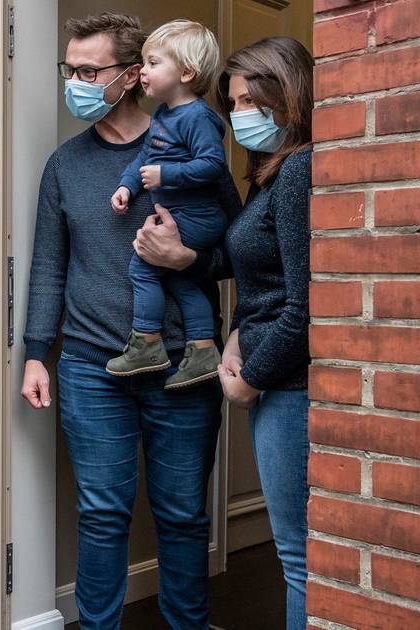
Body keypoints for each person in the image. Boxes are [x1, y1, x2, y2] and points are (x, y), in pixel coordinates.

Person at [22, 13, 240, 628]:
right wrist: (37, 352)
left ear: (131, 74)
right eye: (69, 69)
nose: (75, 82)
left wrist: (187, 259)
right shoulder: (65, 165)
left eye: (89, 71)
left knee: (183, 517)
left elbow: (242, 249)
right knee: (101, 516)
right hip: (92, 369)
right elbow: (49, 266)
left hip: (184, 369)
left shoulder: (191, 145)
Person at [134, 36, 314, 629]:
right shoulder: (268, 173)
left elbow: (304, 305)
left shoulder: (299, 170)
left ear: (287, 95)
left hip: (286, 385)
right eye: (232, 104)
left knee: (298, 557)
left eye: (248, 101)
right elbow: (259, 281)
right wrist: (232, 332)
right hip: (267, 375)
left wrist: (248, 379)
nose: (237, 116)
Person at [106, 20, 226, 389]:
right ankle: (203, 350)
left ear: (186, 73)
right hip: (181, 215)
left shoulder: (198, 117)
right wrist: (127, 186)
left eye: (153, 63)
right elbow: (145, 157)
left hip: (198, 217)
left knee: (143, 268)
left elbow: (213, 164)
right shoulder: (162, 114)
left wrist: (166, 175)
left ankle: (147, 342)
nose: (142, 71)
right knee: (179, 278)